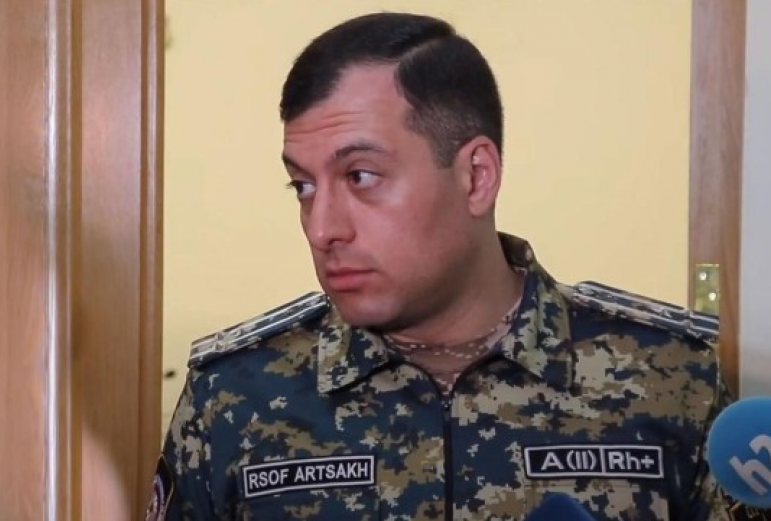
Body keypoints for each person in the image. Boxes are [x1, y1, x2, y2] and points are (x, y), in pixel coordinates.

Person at [146, 11, 768, 521]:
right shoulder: (235, 396)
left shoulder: (670, 379)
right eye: (303, 187)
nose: (322, 227)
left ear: (476, 176)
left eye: (360, 176)